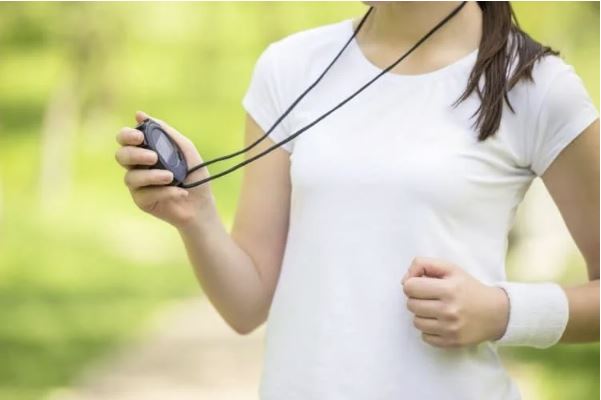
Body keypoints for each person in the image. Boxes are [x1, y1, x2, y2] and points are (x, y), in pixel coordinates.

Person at [114, 2, 599, 399]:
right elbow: (246, 306)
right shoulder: (291, 66)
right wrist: (197, 218)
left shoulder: (536, 86)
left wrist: (503, 311)